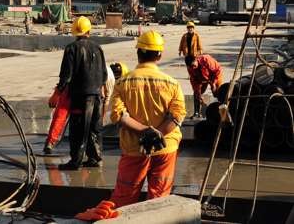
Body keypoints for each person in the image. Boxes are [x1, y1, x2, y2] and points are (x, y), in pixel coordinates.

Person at [75, 30, 186, 221]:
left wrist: (144, 132)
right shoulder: (172, 83)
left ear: (138, 53)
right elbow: (176, 116)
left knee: (124, 198)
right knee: (159, 199)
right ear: (159, 55)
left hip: (135, 149)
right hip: (166, 148)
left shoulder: (123, 82)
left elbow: (118, 115)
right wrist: (157, 134)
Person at [49, 16, 108, 170]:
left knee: (77, 129)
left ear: (74, 31)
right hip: (96, 97)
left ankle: (76, 161)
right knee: (94, 129)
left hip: (80, 97)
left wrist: (56, 95)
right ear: (89, 30)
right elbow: (104, 75)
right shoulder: (98, 48)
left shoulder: (72, 49)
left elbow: (66, 76)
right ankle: (95, 158)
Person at [186, 54, 223, 118]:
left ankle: (221, 111)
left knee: (218, 93)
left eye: (193, 66)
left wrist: (213, 83)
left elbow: (218, 70)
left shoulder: (206, 60)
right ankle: (196, 113)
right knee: (196, 94)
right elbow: (194, 81)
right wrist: (198, 92)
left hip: (214, 76)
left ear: (196, 60)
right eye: (190, 67)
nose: (193, 68)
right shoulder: (190, 68)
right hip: (201, 79)